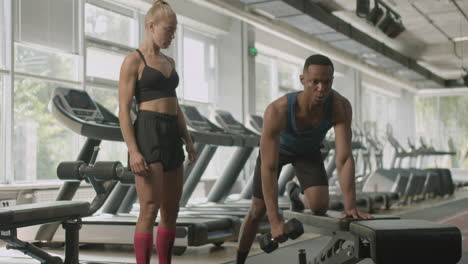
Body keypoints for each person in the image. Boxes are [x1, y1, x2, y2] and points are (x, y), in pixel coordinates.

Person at [236, 54, 373, 264]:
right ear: (302, 80)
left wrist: (350, 205)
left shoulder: (340, 106)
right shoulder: (277, 110)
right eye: (314, 82)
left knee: (319, 207)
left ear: (332, 81)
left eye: (326, 82)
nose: (321, 88)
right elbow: (269, 168)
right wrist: (275, 220)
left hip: (308, 151)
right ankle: (239, 260)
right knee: (257, 209)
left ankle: (295, 194)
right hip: (277, 152)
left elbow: (344, 158)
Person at [118, 1, 195, 264]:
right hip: (148, 132)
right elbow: (124, 110)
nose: (172, 36)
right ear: (151, 26)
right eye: (169, 30)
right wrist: (133, 150)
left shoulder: (169, 61)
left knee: (171, 209)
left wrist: (188, 139)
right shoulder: (133, 61)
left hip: (172, 131)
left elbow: (176, 105)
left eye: (174, 31)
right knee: (150, 208)